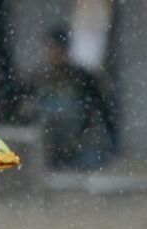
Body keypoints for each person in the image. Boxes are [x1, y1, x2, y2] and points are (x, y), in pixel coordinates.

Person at [27, 26, 117, 170]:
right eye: (51, 48)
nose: (55, 54)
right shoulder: (38, 78)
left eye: (58, 49)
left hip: (79, 145)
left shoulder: (82, 77)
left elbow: (100, 110)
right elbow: (26, 111)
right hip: (48, 148)